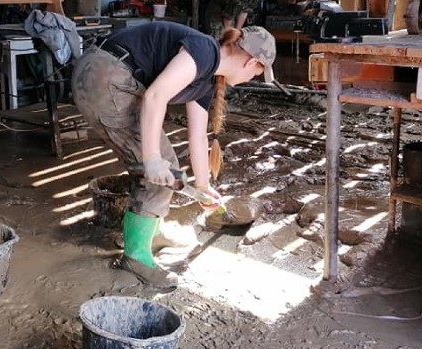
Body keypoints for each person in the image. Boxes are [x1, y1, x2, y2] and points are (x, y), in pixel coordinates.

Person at [71, 22, 277, 290]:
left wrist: (203, 187)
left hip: (103, 74)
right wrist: (152, 157)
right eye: (259, 73)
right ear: (252, 63)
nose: (254, 78)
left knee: (163, 170)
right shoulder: (204, 51)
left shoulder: (205, 78)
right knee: (160, 172)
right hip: (105, 77)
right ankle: (136, 258)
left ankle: (148, 233)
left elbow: (198, 136)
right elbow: (155, 95)